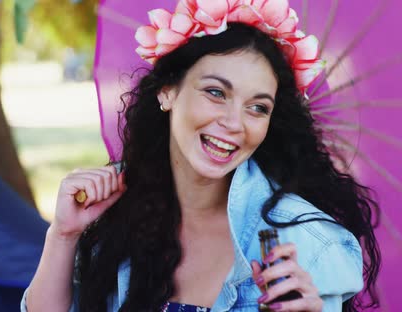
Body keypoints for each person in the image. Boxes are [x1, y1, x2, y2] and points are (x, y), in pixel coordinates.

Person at [21, 1, 380, 311]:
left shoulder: (303, 243)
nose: (234, 123)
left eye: (257, 107)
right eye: (216, 92)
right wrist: (64, 235)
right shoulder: (118, 210)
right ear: (167, 92)